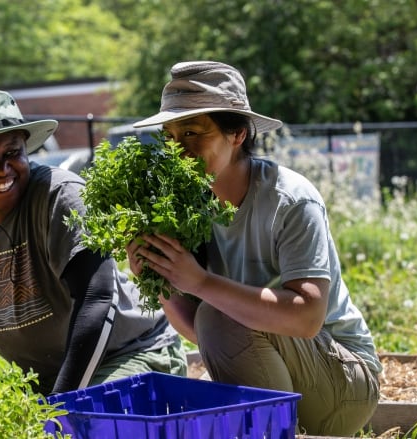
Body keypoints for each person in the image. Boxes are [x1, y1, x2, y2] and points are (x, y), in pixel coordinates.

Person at [126, 61, 381, 436]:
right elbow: (206, 333)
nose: (177, 148)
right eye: (170, 135)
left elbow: (307, 317)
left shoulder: (291, 200)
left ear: (238, 134)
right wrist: (159, 277)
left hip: (343, 384)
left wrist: (198, 282)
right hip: (283, 375)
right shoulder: (188, 204)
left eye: (193, 132)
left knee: (215, 312)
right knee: (214, 316)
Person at [0, 90, 187, 395]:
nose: (1, 169)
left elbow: (96, 299)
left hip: (130, 354)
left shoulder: (59, 196)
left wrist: (60, 406)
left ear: (26, 148)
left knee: (87, 424)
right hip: (46, 378)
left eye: (12, 152)